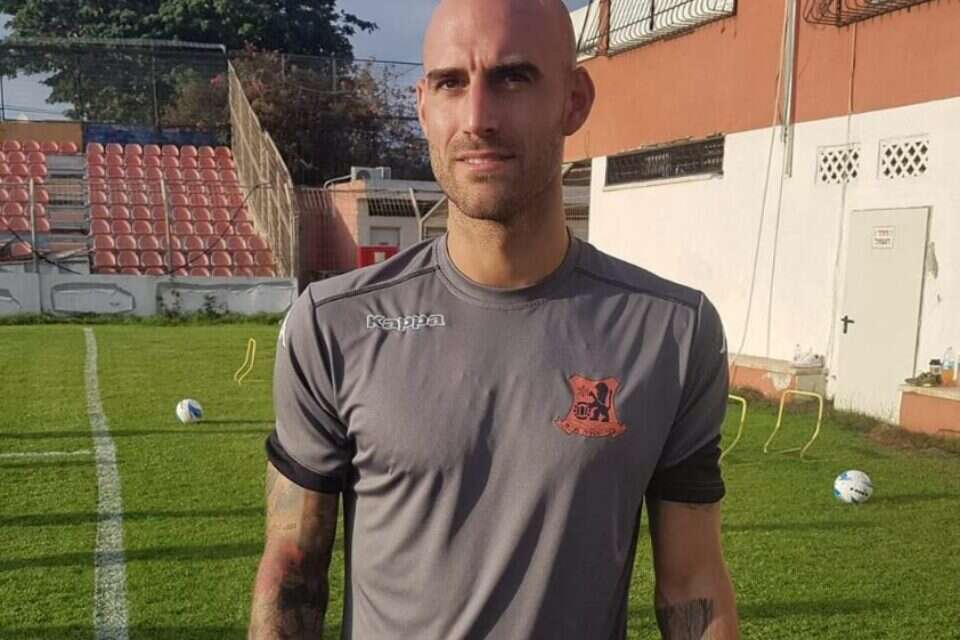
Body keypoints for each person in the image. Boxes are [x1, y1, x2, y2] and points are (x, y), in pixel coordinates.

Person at [248, 0, 739, 637]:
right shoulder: (331, 326)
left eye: (513, 78)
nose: (477, 118)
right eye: (451, 83)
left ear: (574, 100)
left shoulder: (673, 333)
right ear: (423, 106)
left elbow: (693, 584)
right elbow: (292, 568)